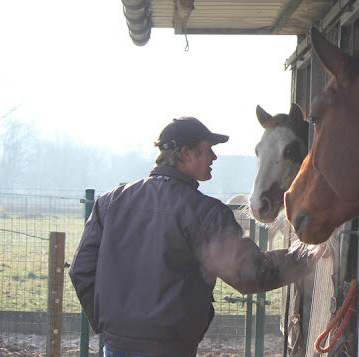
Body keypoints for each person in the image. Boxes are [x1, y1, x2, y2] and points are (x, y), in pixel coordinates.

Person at [69, 116, 315, 357]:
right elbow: (249, 273)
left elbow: (81, 270)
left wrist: (111, 325)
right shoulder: (205, 213)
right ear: (185, 154)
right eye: (207, 150)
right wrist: (306, 257)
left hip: (114, 346)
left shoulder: (110, 202)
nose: (214, 157)